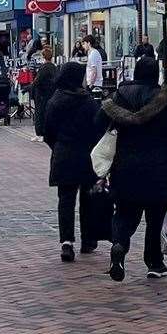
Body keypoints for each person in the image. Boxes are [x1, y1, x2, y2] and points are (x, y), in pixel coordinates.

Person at [99, 56, 167, 281]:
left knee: (123, 214)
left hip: (125, 168)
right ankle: (154, 262)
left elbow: (98, 122)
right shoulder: (164, 100)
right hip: (159, 169)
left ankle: (119, 246)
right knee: (155, 217)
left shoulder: (118, 98)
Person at [42, 62, 105, 262]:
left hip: (63, 155)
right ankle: (88, 240)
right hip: (86, 156)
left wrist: (58, 146)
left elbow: (48, 132)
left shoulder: (55, 101)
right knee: (88, 200)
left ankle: (67, 242)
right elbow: (98, 129)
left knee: (66, 200)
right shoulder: (88, 102)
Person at [31, 45, 60, 136]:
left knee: (40, 113)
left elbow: (37, 81)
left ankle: (39, 133)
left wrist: (29, 87)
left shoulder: (44, 67)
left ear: (44, 57)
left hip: (41, 94)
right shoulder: (54, 67)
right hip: (51, 93)